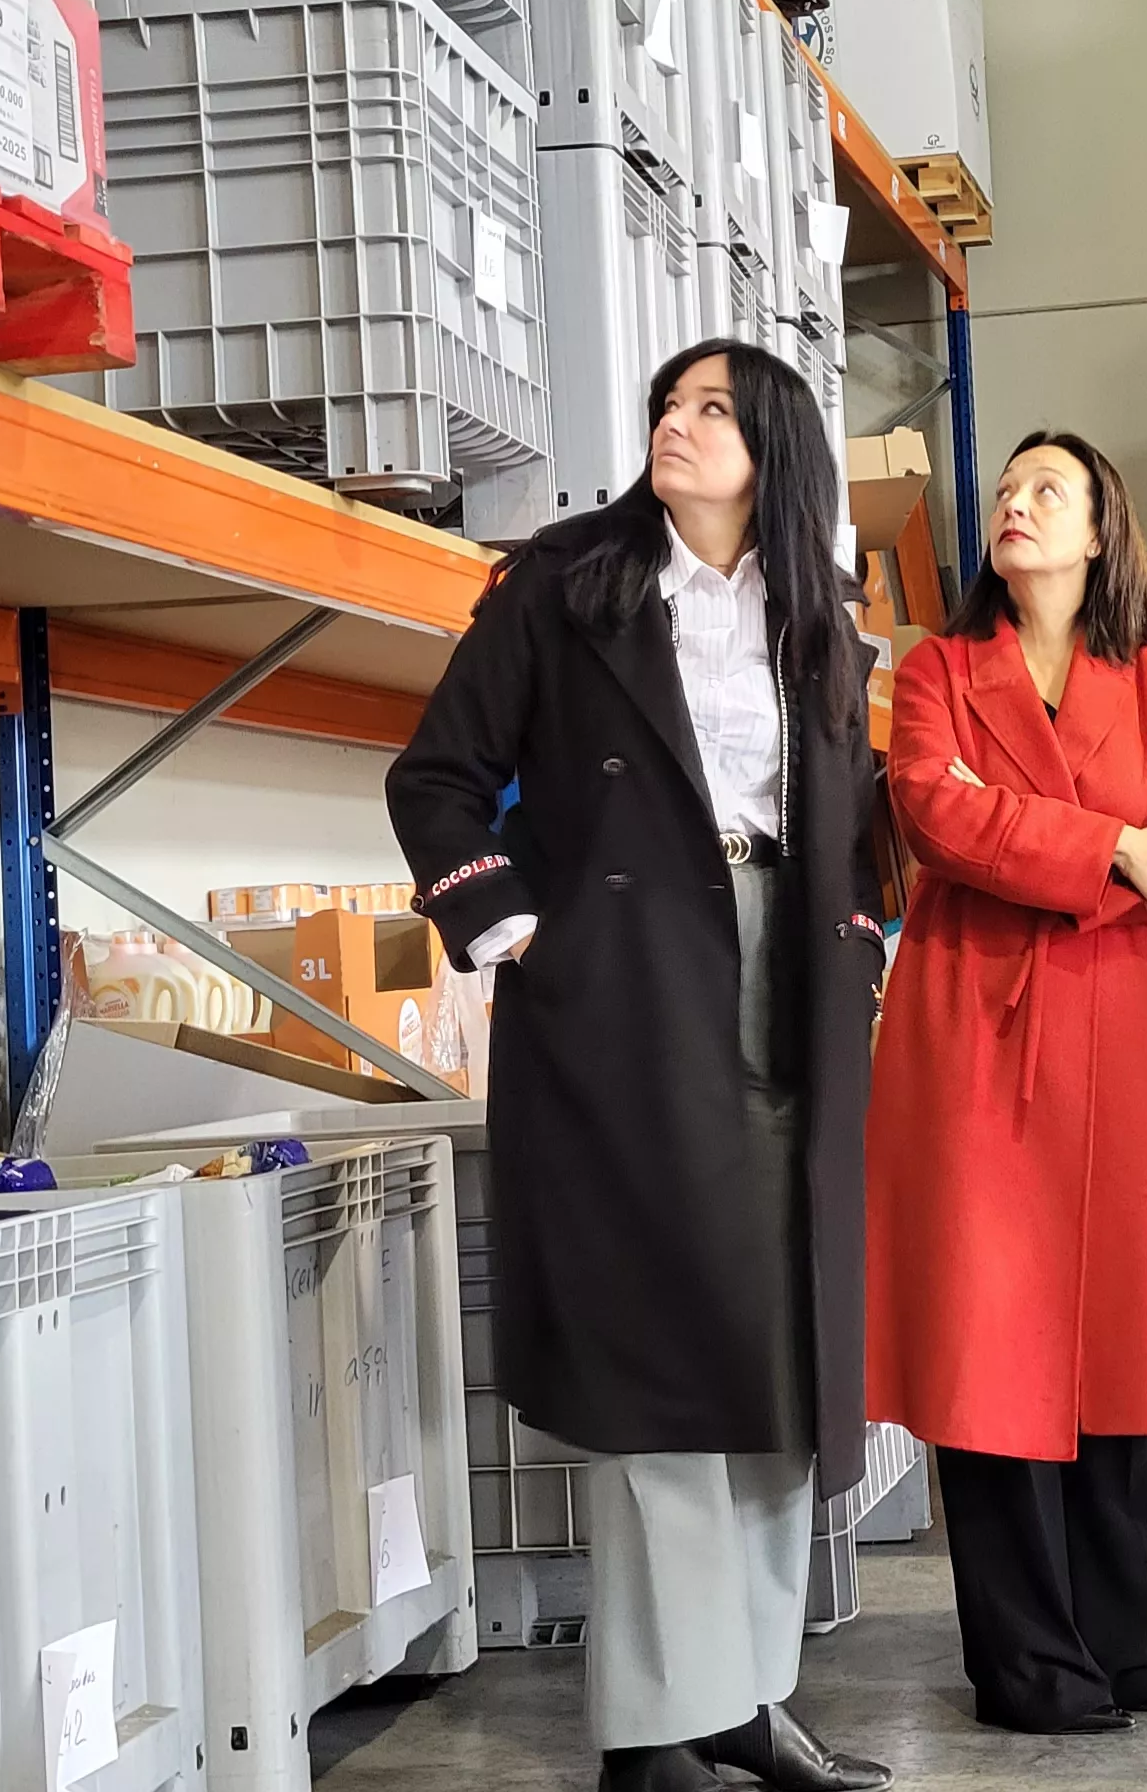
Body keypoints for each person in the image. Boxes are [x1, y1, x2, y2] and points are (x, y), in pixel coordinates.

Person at [385, 340, 895, 1792]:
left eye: (712, 411)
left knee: (777, 1353)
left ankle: (741, 1699)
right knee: (665, 1359)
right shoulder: (569, 580)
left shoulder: (819, 615)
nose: (676, 425)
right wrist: (519, 931)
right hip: (624, 991)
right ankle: (654, 1731)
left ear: (775, 446)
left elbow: (859, 810)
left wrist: (857, 939)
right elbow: (434, 775)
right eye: (666, 405)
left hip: (788, 975)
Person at [862, 431, 1147, 1736]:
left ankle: (1117, 1635)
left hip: (1127, 1039)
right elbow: (932, 811)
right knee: (992, 1343)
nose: (1015, 505)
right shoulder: (936, 671)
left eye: (1048, 491)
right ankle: (1025, 1659)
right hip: (978, 1032)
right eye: (1008, 489)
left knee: (1119, 1335)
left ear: (1099, 533)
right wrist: (1110, 846)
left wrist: (1065, 844)